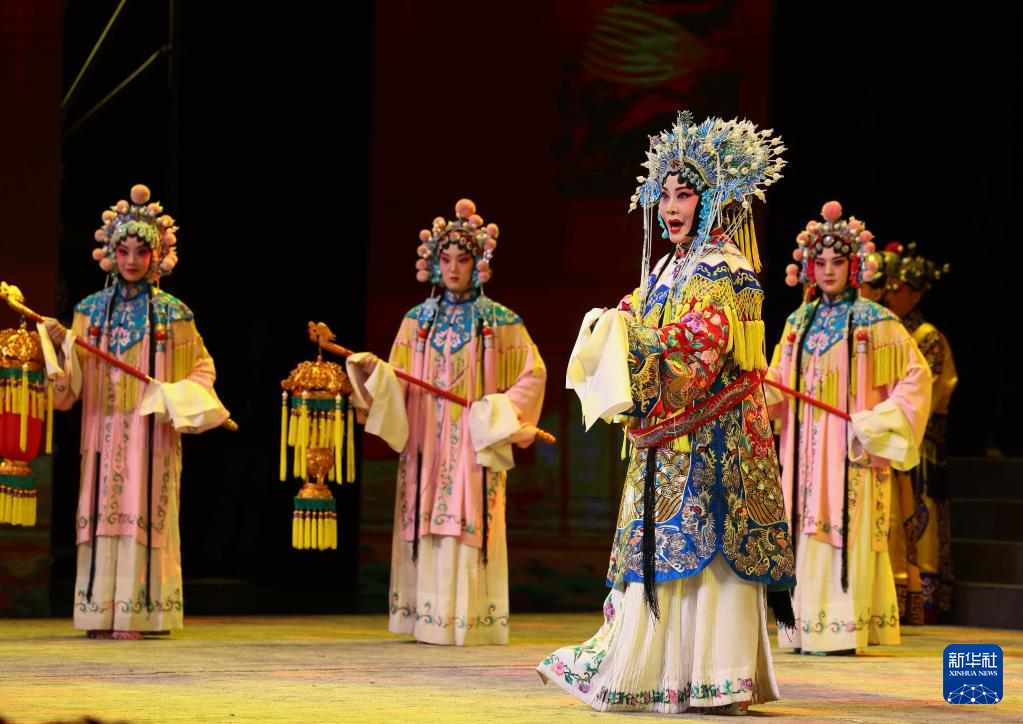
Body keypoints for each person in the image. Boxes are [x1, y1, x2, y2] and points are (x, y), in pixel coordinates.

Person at [538, 112, 795, 715]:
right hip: (668, 435)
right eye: (666, 195)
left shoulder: (726, 265)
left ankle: (717, 678)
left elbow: (705, 341)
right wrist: (616, 323)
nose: (671, 207)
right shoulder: (666, 267)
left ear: (712, 200)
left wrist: (638, 338)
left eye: (685, 195)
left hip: (715, 437)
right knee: (660, 551)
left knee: (709, 553)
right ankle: (657, 674)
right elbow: (641, 313)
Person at [347, 199, 546, 645]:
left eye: (463, 259)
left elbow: (532, 375)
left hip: (473, 443)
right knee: (423, 514)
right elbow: (396, 382)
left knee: (470, 517)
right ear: (434, 264)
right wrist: (373, 374)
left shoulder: (500, 321)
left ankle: (467, 619)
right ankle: (424, 617)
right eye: (447, 259)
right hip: (427, 442)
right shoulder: (415, 321)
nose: (454, 268)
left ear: (479, 264)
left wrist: (495, 413)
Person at [41, 184, 229, 639]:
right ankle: (100, 612)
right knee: (102, 514)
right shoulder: (89, 312)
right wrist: (63, 344)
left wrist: (172, 396)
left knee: (145, 512)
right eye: (122, 251)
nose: (131, 261)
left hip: (150, 438)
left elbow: (202, 371)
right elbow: (72, 384)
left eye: (141, 252)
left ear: (157, 256)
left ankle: (141, 614)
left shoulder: (174, 314)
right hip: (102, 433)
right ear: (110, 253)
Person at [768, 202, 931, 654]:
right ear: (808, 267)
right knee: (804, 526)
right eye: (819, 262)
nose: (827, 271)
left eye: (837, 262)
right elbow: (779, 379)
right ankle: (805, 627)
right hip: (803, 452)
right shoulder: (798, 322)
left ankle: (845, 628)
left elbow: (916, 377)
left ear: (854, 265)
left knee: (848, 525)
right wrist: (755, 384)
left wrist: (876, 420)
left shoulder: (876, 321)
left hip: (849, 448)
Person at [882, 243, 957, 624]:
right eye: (889, 288)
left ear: (916, 295)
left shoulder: (929, 337)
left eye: (899, 290)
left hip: (919, 442)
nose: (891, 295)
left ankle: (927, 595)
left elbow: (930, 390)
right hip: (887, 433)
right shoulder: (887, 330)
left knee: (923, 515)